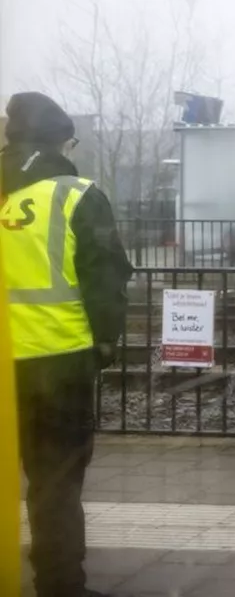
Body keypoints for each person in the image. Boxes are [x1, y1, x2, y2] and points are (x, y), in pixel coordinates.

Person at [2, 92, 133, 597]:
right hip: (59, 366)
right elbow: (106, 280)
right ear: (61, 141)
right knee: (54, 483)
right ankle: (59, 586)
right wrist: (105, 345)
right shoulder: (76, 195)